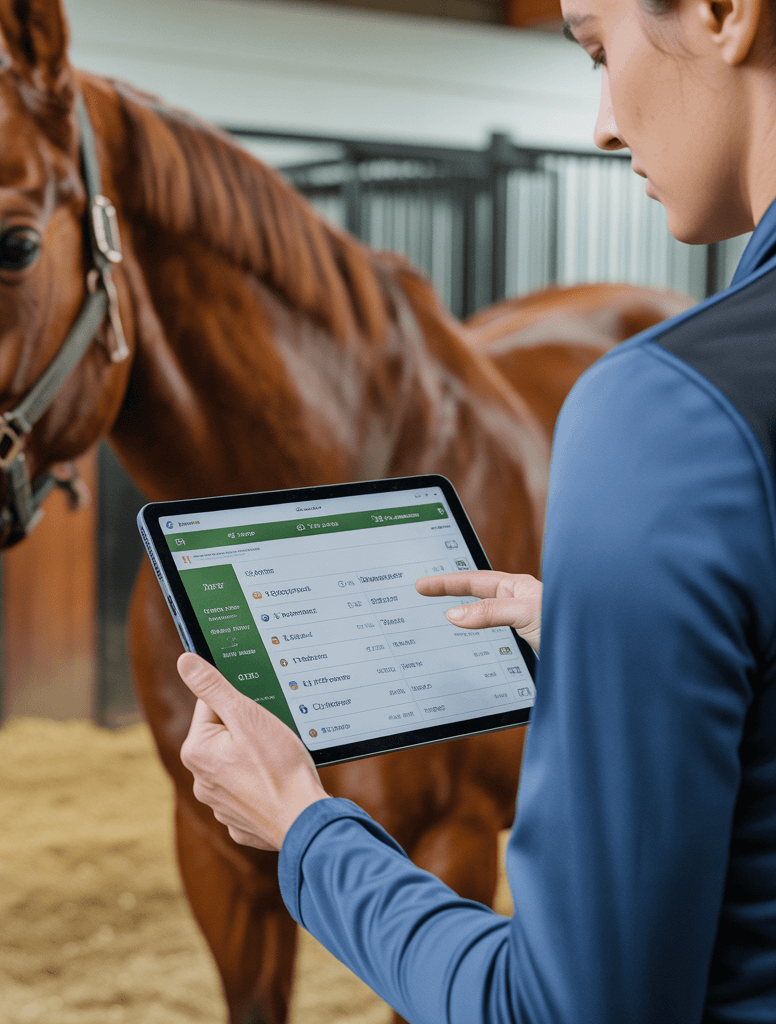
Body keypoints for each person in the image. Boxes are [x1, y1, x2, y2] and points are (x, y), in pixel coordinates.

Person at [175, 0, 776, 1015]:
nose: (601, 123)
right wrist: (642, 647)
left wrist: (305, 828)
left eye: (595, 48)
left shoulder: (667, 414)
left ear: (724, 13)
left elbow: (561, 1008)